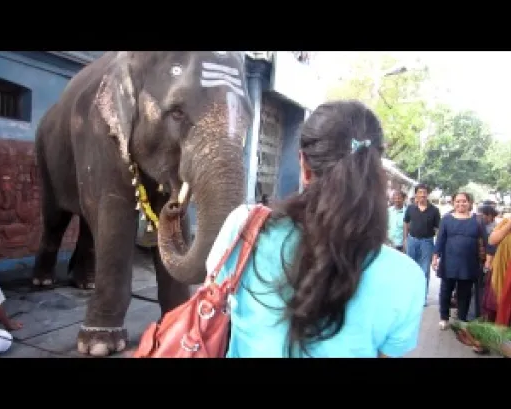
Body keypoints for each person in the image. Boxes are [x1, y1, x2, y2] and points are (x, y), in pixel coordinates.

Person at [206, 100, 426, 358]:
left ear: (304, 166)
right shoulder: (405, 276)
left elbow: (214, 298)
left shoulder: (245, 227)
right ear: (375, 170)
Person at [431, 193, 489, 330]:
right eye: (457, 201)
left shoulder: (477, 220)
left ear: (470, 203)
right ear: (453, 203)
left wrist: (488, 259)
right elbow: (440, 240)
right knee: (446, 290)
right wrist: (435, 257)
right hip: (449, 261)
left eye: (464, 201)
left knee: (465, 292)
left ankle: (461, 319)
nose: (461, 204)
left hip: (469, 263)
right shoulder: (446, 219)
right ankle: (444, 318)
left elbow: (486, 241)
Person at [404, 183, 441, 305]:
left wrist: (437, 247)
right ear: (416, 194)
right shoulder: (410, 208)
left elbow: (438, 229)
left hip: (427, 242)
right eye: (419, 192)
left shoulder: (434, 210)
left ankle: (422, 298)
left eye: (424, 193)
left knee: (424, 270)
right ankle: (410, 296)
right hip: (412, 240)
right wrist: (405, 239)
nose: (422, 195)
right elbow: (406, 223)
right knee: (410, 269)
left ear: (428, 194)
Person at [487, 217, 511, 326]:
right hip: (503, 269)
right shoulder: (507, 221)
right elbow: (492, 240)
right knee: (504, 301)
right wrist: (510, 224)